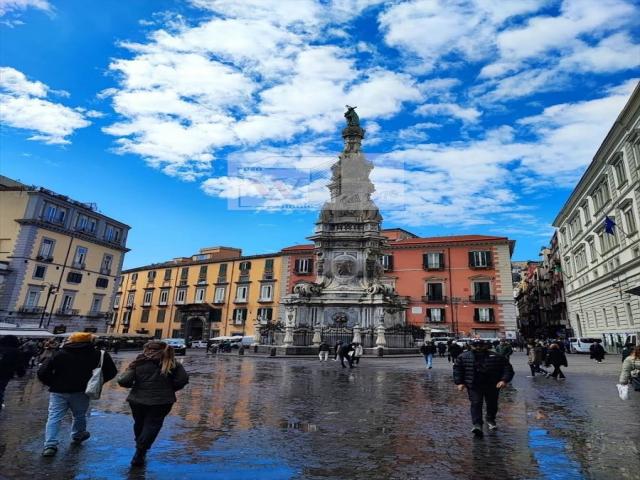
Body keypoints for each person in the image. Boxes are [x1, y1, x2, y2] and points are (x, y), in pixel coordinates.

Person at [37, 332, 117, 457]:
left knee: (54, 417)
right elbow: (112, 371)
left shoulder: (59, 353)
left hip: (58, 390)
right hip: (82, 390)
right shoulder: (98, 354)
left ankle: (50, 445)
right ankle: (77, 435)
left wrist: (52, 383)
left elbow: (42, 372)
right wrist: (96, 383)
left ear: (72, 341)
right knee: (79, 415)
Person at [118, 341, 189, 467]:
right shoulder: (172, 363)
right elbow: (182, 380)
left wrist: (131, 370)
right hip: (162, 401)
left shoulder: (139, 362)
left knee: (140, 423)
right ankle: (141, 451)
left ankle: (140, 446)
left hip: (137, 399)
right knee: (153, 425)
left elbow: (124, 381)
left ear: (146, 349)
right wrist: (170, 389)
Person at [453, 339, 514, 437]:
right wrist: (459, 382)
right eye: (475, 345)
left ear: (485, 346)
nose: (478, 347)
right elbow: (458, 370)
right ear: (471, 346)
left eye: (480, 345)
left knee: (492, 404)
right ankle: (477, 424)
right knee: (476, 403)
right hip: (474, 385)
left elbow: (507, 369)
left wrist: (504, 380)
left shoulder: (496, 356)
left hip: (492, 385)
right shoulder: (463, 357)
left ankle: (490, 419)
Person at [0, 335, 26, 409]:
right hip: (5, 375)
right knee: (1, 389)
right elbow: (19, 365)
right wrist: (21, 373)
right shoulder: (16, 352)